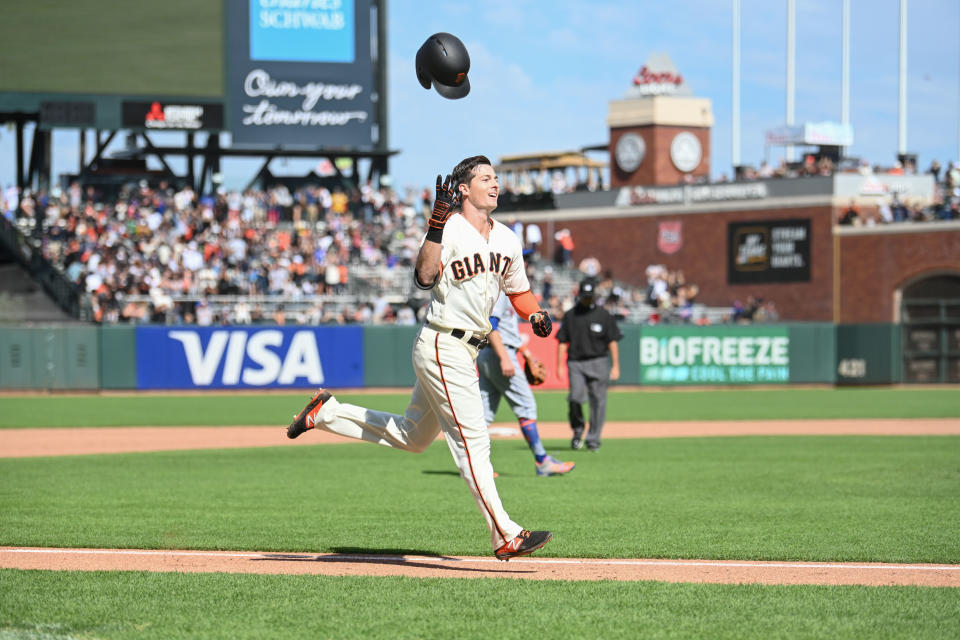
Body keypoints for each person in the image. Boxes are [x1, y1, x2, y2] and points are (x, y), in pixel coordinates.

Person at [286, 156, 556, 561]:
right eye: (485, 178)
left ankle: (326, 413)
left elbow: (518, 290)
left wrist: (533, 312)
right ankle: (505, 533)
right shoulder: (448, 229)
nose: (495, 184)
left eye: (495, 178)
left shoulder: (507, 239)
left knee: (415, 437)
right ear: (463, 189)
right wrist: (435, 225)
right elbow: (424, 277)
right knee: (473, 440)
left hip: (468, 348)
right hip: (442, 342)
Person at [477, 291, 575, 477]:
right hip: (499, 353)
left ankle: (475, 466)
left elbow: (506, 330)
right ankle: (542, 461)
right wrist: (505, 358)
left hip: (487, 353)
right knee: (526, 407)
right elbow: (491, 326)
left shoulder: (500, 289)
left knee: (483, 415)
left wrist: (526, 353)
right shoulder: (498, 289)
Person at [556, 277, 623, 452]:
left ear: (594, 295)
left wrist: (615, 366)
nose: (586, 299)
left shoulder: (604, 315)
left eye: (589, 296)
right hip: (576, 362)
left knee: (598, 402)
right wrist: (559, 365)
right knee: (576, 398)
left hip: (598, 361)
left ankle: (593, 440)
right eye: (583, 296)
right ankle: (578, 431)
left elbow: (613, 341)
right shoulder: (571, 315)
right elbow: (562, 340)